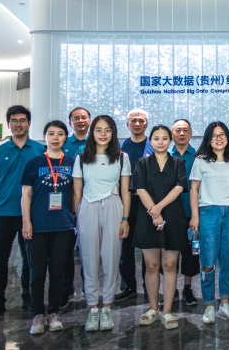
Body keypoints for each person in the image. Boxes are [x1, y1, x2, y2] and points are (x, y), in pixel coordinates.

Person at [0, 105, 46, 320]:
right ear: (9, 125)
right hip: (3, 213)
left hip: (31, 214)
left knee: (30, 259)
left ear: (29, 123)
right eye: (14, 121)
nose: (19, 124)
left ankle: (29, 298)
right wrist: (7, 196)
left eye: (23, 120)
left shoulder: (39, 150)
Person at [72, 115, 132, 332]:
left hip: (113, 206)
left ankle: (106, 306)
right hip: (88, 207)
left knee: (111, 258)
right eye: (98, 129)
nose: (103, 134)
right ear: (92, 132)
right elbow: (77, 192)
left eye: (108, 130)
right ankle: (92, 307)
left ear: (113, 133)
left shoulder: (122, 157)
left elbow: (125, 191)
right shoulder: (81, 158)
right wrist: (77, 218)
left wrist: (125, 219)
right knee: (89, 259)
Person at [21, 120, 76, 334]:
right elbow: (26, 195)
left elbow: (75, 193)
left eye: (60, 134)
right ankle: (38, 314)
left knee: (57, 272)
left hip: (63, 225)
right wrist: (27, 222)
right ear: (44, 137)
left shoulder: (72, 162)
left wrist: (75, 219)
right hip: (38, 226)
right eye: (51, 133)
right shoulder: (34, 163)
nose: (55, 138)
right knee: (36, 273)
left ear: (65, 138)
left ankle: (53, 312)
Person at [132, 125, 188, 330]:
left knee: (170, 265)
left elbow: (179, 187)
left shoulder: (178, 162)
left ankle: (168, 311)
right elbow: (139, 189)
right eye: (156, 138)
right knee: (152, 265)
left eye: (165, 138)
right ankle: (153, 309)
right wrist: (154, 213)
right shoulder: (142, 163)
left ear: (170, 140)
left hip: (173, 217)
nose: (161, 142)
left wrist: (158, 209)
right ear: (151, 141)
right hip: (147, 218)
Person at [189, 121, 229, 324]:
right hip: (208, 213)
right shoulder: (201, 160)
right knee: (208, 262)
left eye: (222, 135)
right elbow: (194, 189)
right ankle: (209, 305)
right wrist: (195, 216)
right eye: (214, 135)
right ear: (208, 139)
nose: (218, 138)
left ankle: (225, 302)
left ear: (228, 138)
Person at [116, 109, 154, 302]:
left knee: (148, 245)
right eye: (133, 121)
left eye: (141, 120)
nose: (137, 124)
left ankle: (149, 287)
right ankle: (128, 286)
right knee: (126, 245)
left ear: (146, 124)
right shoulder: (119, 147)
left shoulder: (153, 146)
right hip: (126, 200)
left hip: (147, 201)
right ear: (127, 125)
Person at [61, 106, 90, 307]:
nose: (80, 121)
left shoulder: (97, 143)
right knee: (65, 250)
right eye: (76, 118)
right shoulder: (64, 144)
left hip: (90, 202)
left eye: (83, 117)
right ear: (70, 122)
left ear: (89, 121)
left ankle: (89, 287)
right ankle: (66, 289)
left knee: (89, 250)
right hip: (65, 205)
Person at [170, 119, 199, 306]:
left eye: (185, 130)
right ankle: (171, 288)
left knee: (191, 253)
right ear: (172, 134)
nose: (181, 134)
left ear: (191, 133)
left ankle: (188, 288)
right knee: (170, 252)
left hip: (192, 211)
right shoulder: (165, 154)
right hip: (170, 212)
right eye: (178, 130)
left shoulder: (198, 156)